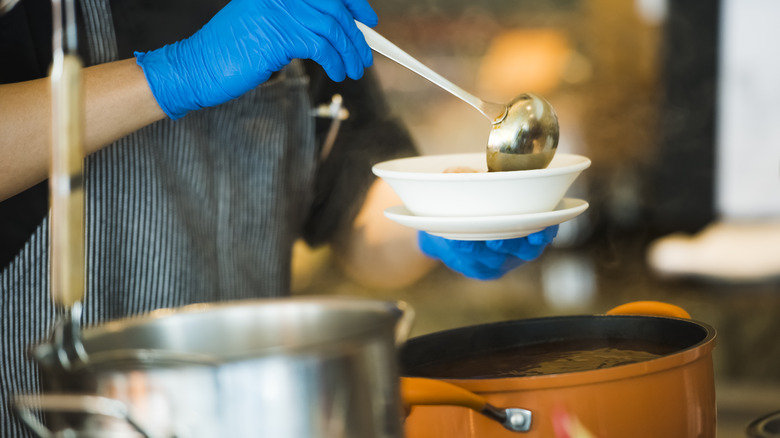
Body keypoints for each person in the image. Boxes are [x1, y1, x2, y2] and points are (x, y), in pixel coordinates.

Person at [0, 0, 557, 434]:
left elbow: (355, 210)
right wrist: (174, 74)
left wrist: (446, 222)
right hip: (62, 418)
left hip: (262, 414)